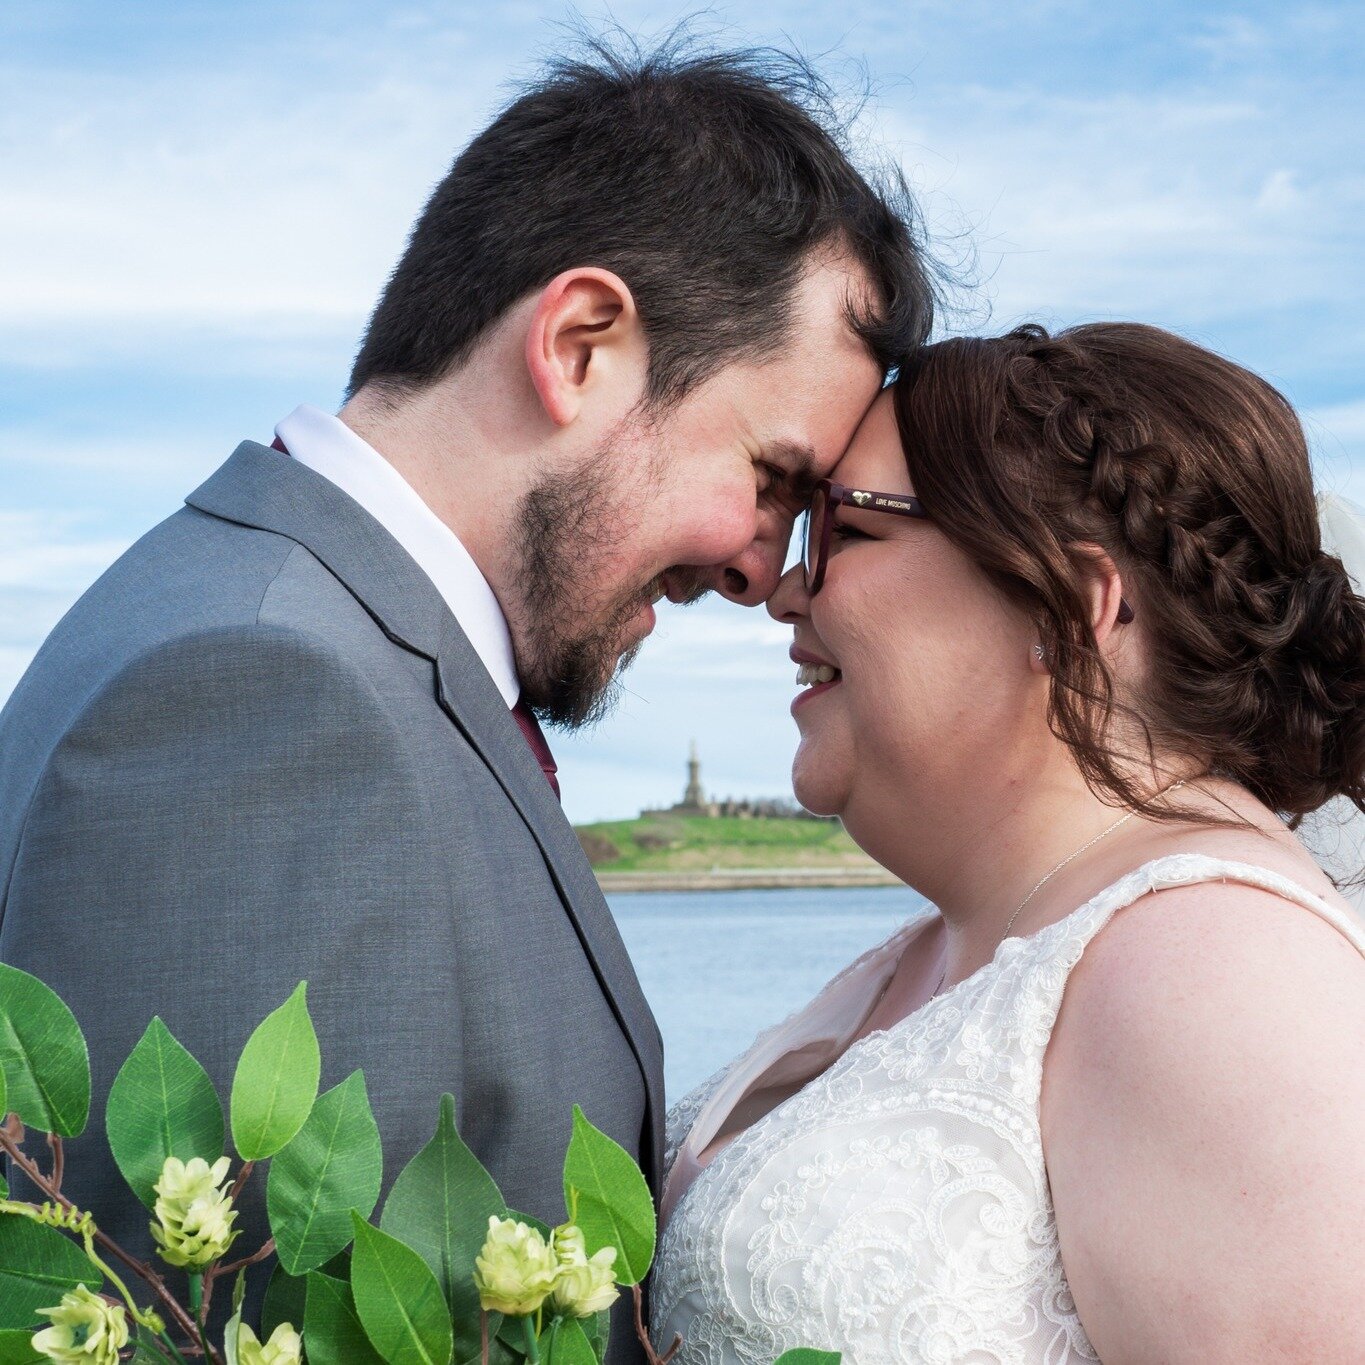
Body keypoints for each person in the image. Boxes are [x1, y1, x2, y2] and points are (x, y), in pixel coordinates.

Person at [0, 40, 935, 1353]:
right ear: (580, 345)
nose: (755, 570)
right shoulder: (263, 696)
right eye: (772, 476)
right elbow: (183, 1317)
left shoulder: (327, 654)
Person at [652, 323, 1365, 1362]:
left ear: (1069, 604)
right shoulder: (951, 945)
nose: (784, 591)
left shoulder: (1223, 972)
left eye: (843, 531)